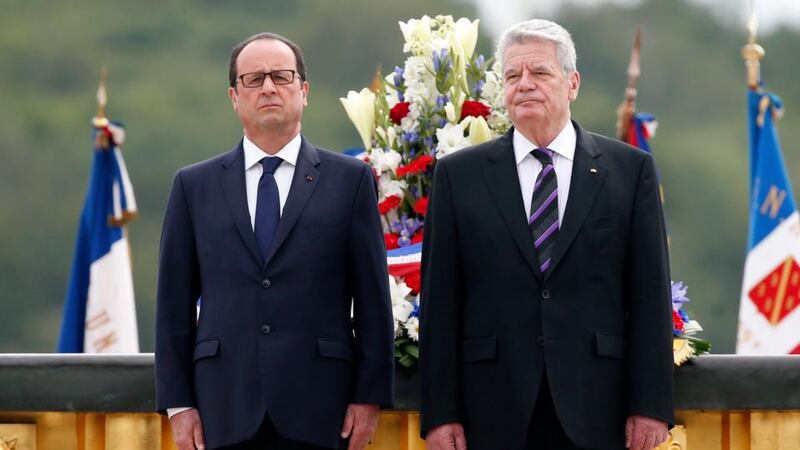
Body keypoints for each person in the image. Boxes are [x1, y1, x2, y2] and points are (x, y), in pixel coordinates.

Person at [420, 19, 674, 450]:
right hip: (492, 407)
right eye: (512, 75)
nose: (525, 85)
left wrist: (650, 404)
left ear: (572, 83)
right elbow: (441, 302)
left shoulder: (629, 171)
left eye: (540, 72)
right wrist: (440, 414)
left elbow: (649, 296)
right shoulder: (458, 176)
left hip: (599, 406)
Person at [155, 32, 394, 450]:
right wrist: (178, 404)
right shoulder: (194, 186)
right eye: (254, 79)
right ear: (234, 96)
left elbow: (373, 301)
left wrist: (368, 397)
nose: (268, 87)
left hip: (324, 409)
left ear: (304, 91)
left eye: (281, 77)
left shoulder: (350, 181)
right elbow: (173, 307)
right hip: (221, 408)